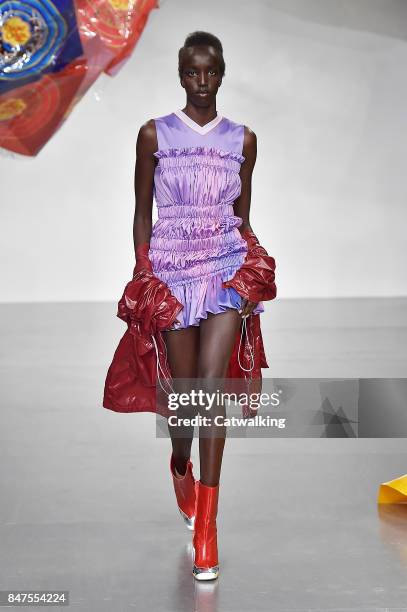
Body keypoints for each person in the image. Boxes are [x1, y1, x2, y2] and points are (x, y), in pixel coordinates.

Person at [103, 30, 277, 581]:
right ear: (180, 74)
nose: (201, 82)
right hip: (174, 272)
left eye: (210, 72)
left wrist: (252, 264)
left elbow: (242, 217)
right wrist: (142, 269)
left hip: (224, 267)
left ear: (222, 73)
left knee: (209, 392)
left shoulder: (243, 140)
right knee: (183, 402)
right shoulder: (153, 134)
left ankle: (208, 524)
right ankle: (180, 460)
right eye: (191, 72)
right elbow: (141, 211)